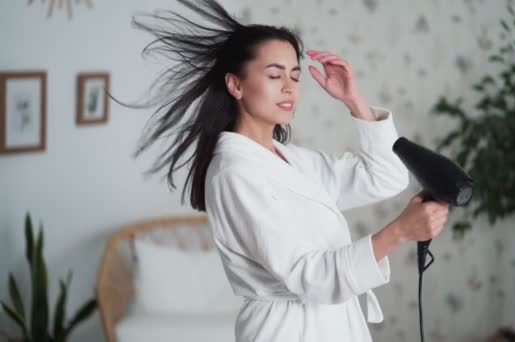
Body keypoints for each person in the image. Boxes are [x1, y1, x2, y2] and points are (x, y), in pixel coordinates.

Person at [129, 0, 449, 341]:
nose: (289, 87)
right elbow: (312, 277)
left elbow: (386, 177)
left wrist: (354, 101)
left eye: (295, 76)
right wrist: (399, 232)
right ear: (235, 85)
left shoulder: (292, 160)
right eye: (274, 75)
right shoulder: (234, 174)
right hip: (286, 331)